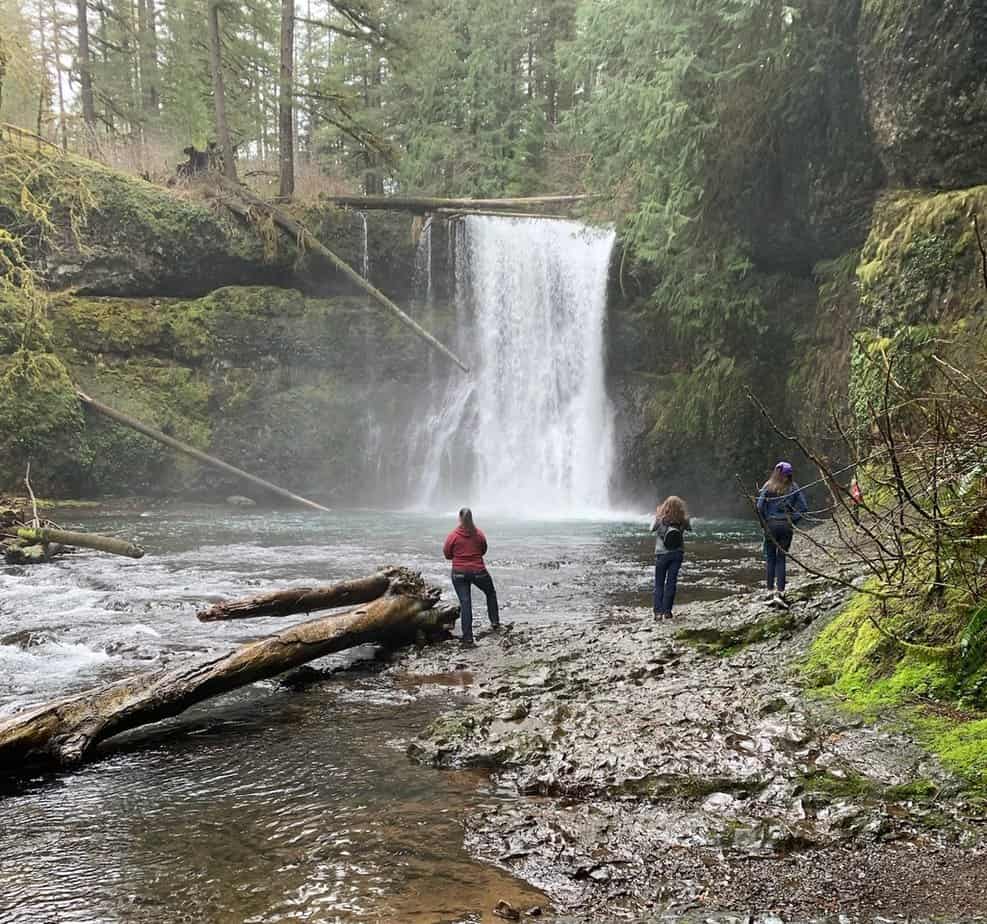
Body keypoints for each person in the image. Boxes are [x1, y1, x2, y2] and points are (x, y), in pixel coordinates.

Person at [443, 507, 500, 648]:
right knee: (490, 593)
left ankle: (468, 637)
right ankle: (494, 622)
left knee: (465, 603)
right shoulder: (478, 534)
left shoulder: (453, 536)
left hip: (459, 573)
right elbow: (483, 550)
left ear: (460, 519)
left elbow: (447, 554)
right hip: (478, 572)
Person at [756, 461, 808, 603]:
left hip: (771, 525)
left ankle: (769, 591)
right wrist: (793, 521)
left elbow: (759, 506)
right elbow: (804, 508)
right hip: (786, 526)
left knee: (771, 558)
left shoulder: (768, 486)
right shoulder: (794, 487)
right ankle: (781, 592)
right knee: (781, 558)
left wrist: (764, 523)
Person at [650, 495, 691, 619]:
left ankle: (658, 612)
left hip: (661, 555)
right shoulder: (683, 519)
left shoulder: (660, 519)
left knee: (659, 584)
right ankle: (667, 611)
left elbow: (651, 529)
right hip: (677, 554)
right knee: (671, 583)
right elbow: (689, 528)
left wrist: (657, 515)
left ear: (665, 506)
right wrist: (684, 518)